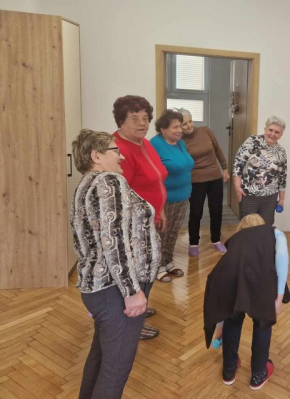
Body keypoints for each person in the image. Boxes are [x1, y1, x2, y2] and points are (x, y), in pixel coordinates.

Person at [70, 129, 160, 399]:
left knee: (101, 358)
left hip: (101, 288)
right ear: (96, 156)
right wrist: (132, 292)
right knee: (115, 369)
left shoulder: (86, 184)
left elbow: (86, 239)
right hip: (116, 290)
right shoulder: (110, 181)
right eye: (115, 150)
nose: (121, 156)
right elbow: (115, 240)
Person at [203, 214, 289, 391]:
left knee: (232, 320)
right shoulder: (274, 233)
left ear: (241, 227)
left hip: (229, 283)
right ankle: (258, 374)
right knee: (262, 323)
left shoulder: (235, 240)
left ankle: (229, 370)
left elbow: (224, 281)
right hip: (261, 282)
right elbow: (282, 258)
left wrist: (220, 326)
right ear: (262, 225)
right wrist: (279, 298)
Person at [113, 94, 167, 340]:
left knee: (146, 272)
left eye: (145, 118)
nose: (142, 123)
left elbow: (155, 179)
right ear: (121, 121)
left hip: (149, 219)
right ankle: (131, 322)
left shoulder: (144, 142)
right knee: (134, 275)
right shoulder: (119, 150)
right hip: (133, 228)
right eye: (134, 118)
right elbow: (120, 197)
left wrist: (160, 209)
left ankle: (140, 308)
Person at [150, 110, 194, 282]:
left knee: (174, 231)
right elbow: (152, 173)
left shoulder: (180, 143)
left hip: (183, 196)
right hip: (165, 198)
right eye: (175, 127)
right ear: (163, 129)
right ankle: (158, 266)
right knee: (161, 232)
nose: (179, 130)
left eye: (179, 126)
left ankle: (168, 261)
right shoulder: (155, 144)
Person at [179, 108, 230, 256]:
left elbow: (218, 150)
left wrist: (225, 168)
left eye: (190, 121)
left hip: (215, 177)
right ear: (179, 126)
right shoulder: (179, 141)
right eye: (184, 124)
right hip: (196, 180)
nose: (189, 126)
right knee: (196, 212)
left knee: (216, 210)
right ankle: (193, 243)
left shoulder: (206, 131)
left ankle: (216, 240)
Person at [232, 116, 287, 225]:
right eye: (270, 130)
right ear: (265, 129)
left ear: (281, 135)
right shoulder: (253, 141)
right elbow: (238, 163)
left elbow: (282, 175)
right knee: (248, 226)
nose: (272, 134)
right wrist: (237, 187)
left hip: (270, 196)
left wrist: (281, 199)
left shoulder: (281, 151)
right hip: (249, 194)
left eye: (277, 132)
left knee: (266, 226)